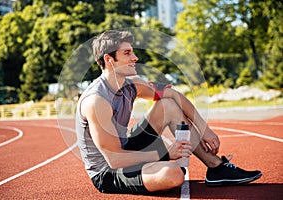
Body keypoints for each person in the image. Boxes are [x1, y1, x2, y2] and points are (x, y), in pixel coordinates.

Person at [75, 30, 262, 194]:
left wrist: (204, 129)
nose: (135, 58)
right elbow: (115, 159)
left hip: (127, 147)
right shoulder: (96, 101)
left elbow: (172, 94)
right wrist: (165, 154)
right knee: (172, 174)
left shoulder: (132, 85)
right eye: (127, 53)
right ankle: (158, 164)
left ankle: (216, 168)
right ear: (109, 60)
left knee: (168, 105)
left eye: (132, 52)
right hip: (108, 171)